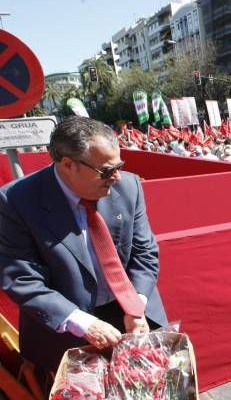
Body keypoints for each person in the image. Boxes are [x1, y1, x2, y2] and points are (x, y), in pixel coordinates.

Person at [0, 117, 168, 373]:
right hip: (68, 327)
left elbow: (144, 252)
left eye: (119, 166)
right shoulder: (16, 202)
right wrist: (80, 322)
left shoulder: (129, 186)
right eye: (106, 171)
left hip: (133, 312)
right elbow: (22, 279)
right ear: (68, 165)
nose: (117, 177)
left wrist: (136, 307)